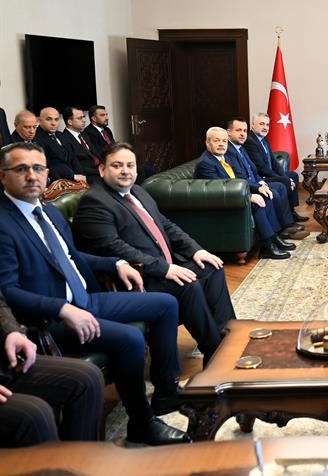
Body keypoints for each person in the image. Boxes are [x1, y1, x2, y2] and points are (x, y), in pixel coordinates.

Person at [0, 142, 187, 445]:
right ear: (3, 176)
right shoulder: (4, 223)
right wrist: (62, 309)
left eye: (38, 168)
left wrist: (117, 263)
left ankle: (166, 392)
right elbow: (7, 292)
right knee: (130, 339)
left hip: (85, 299)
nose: (32, 176)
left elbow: (72, 257)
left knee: (166, 304)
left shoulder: (48, 211)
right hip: (49, 319)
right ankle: (141, 423)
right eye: (21, 169)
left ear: (47, 173)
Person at [72, 142, 236, 365]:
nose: (125, 171)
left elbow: (166, 225)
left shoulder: (138, 191)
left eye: (130, 165)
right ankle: (216, 353)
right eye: (117, 166)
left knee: (212, 267)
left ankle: (228, 338)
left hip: (162, 266)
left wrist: (196, 250)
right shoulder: (94, 202)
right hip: (137, 278)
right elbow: (113, 247)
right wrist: (165, 269)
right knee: (187, 284)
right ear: (102, 170)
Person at [0, 291, 105, 447]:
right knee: (35, 414)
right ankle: (54, 463)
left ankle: (80, 461)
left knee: (88, 378)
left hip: (5, 359)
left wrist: (11, 331)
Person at [194, 127, 291, 259]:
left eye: (224, 141)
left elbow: (238, 180)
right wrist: (249, 197)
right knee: (257, 204)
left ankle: (273, 239)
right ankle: (268, 246)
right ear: (207, 143)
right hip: (218, 204)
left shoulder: (224, 158)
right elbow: (221, 189)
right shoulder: (206, 163)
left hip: (232, 195)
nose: (221, 144)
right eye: (216, 141)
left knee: (266, 196)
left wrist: (258, 188)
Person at [226, 117, 307, 240]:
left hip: (257, 180)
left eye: (244, 131)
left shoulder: (244, 147)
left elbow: (268, 164)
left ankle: (289, 218)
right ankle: (285, 227)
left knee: (290, 177)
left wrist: (281, 177)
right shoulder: (243, 145)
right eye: (238, 130)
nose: (242, 134)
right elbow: (259, 168)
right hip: (253, 182)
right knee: (280, 185)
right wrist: (261, 184)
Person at [244, 113, 307, 222]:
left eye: (267, 125)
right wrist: (284, 178)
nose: (265, 127)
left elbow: (274, 162)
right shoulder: (250, 141)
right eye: (262, 124)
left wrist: (285, 176)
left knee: (293, 175)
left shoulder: (264, 140)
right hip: (260, 177)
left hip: (268, 173)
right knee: (285, 180)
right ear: (253, 125)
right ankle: (287, 217)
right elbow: (261, 167)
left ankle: (292, 211)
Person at [34, 107, 85, 183]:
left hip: (76, 180)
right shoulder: (36, 138)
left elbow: (73, 157)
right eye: (49, 119)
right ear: (39, 120)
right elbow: (51, 164)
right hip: (58, 182)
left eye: (56, 119)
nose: (53, 123)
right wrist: (73, 176)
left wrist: (81, 175)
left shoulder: (60, 135)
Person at [59, 106, 101, 184]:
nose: (84, 120)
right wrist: (99, 171)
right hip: (87, 176)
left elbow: (95, 154)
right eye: (80, 118)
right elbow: (78, 166)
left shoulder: (84, 134)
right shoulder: (64, 139)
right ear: (70, 122)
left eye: (83, 117)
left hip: (99, 170)